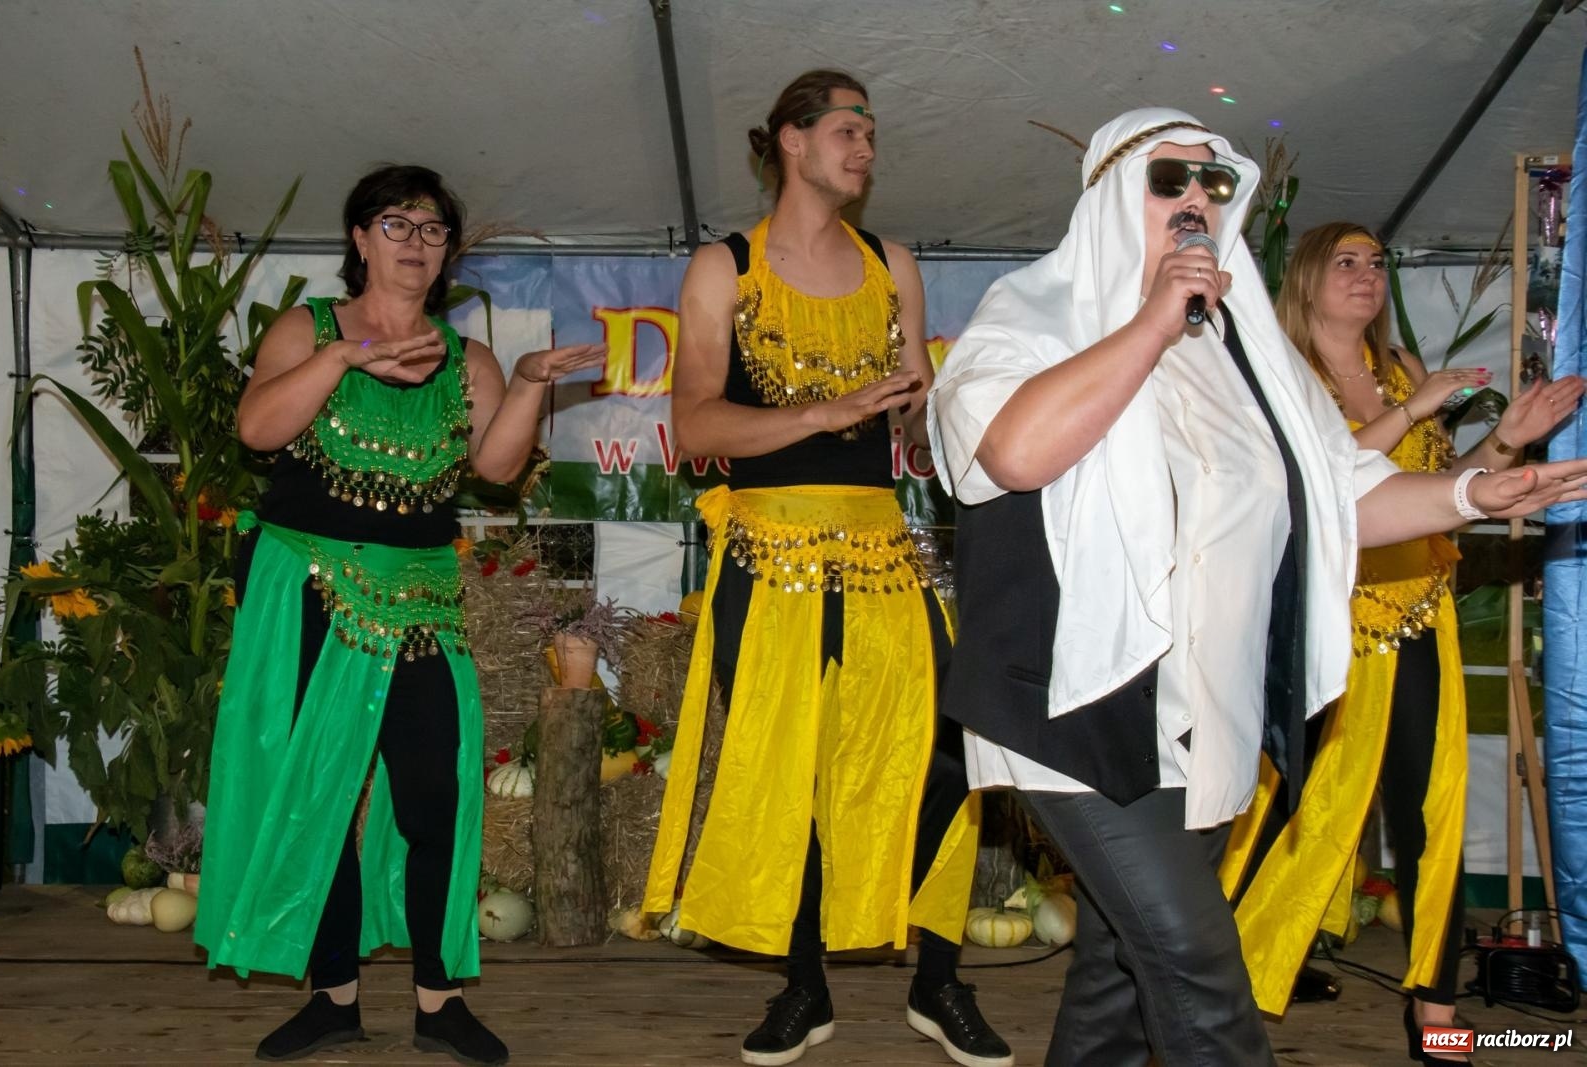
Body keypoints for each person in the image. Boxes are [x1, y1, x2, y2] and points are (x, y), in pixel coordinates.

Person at [927, 107, 1587, 1066]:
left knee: (1121, 970)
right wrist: (1154, 320)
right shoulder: (1031, 315)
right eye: (1172, 180)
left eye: (1215, 183)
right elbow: (1014, 452)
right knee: (1199, 969)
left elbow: (1337, 493)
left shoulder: (1245, 350)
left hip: (1207, 711)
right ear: (1115, 196)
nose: (1198, 197)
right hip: (1076, 707)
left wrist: (1477, 489)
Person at [642, 70, 1012, 1067]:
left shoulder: (892, 263)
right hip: (765, 551)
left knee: (945, 755)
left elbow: (921, 425)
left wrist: (947, 421)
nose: (865, 147)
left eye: (872, 132)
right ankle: (803, 984)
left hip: (884, 547)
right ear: (790, 142)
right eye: (847, 129)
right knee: (790, 770)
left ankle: (938, 978)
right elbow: (694, 423)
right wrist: (820, 414)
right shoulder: (725, 267)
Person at [195, 164, 604, 1065]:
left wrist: (532, 381)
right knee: (321, 792)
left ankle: (438, 999)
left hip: (419, 594)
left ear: (447, 249)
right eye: (396, 223)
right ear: (359, 238)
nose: (416, 241)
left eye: (432, 228)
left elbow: (495, 468)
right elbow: (258, 428)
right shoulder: (306, 328)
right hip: (309, 587)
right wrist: (343, 357)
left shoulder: (470, 359)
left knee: (433, 796)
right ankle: (332, 994)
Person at [1220, 221, 1583, 1059]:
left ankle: (1433, 1002)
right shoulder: (1280, 373)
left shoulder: (1403, 370)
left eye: (1377, 263)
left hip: (1419, 614)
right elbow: (1320, 480)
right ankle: (1222, 972)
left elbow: (1441, 482)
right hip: (1324, 625)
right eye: (1346, 262)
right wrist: (1415, 409)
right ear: (1305, 277)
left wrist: (1508, 444)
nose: (1367, 275)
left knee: (1432, 810)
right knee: (1287, 809)